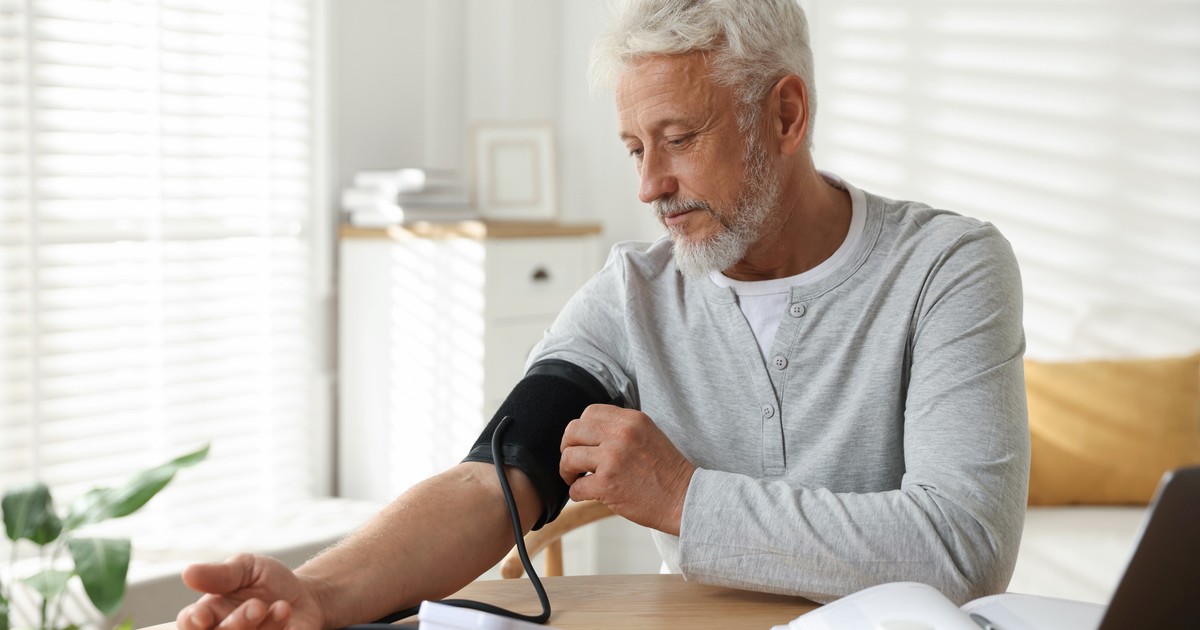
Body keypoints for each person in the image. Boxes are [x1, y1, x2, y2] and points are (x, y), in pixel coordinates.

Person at [177, 1, 1029, 628]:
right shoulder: (634, 295)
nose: (649, 184)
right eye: (633, 147)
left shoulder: (947, 269)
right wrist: (319, 593)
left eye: (679, 138)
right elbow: (494, 480)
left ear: (785, 114)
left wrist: (684, 499)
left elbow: (959, 548)